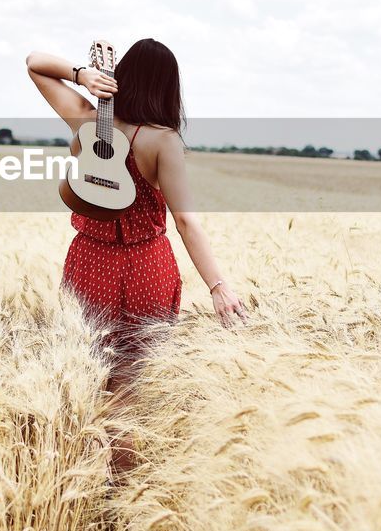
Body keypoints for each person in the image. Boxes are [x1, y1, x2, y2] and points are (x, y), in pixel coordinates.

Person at [25, 38, 248, 484]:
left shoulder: (88, 121)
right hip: (147, 267)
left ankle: (75, 477)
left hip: (89, 262)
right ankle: (122, 488)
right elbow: (185, 219)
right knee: (131, 385)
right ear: (169, 89)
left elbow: (34, 64)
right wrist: (219, 287)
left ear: (121, 76)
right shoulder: (163, 142)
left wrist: (78, 75)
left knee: (84, 375)